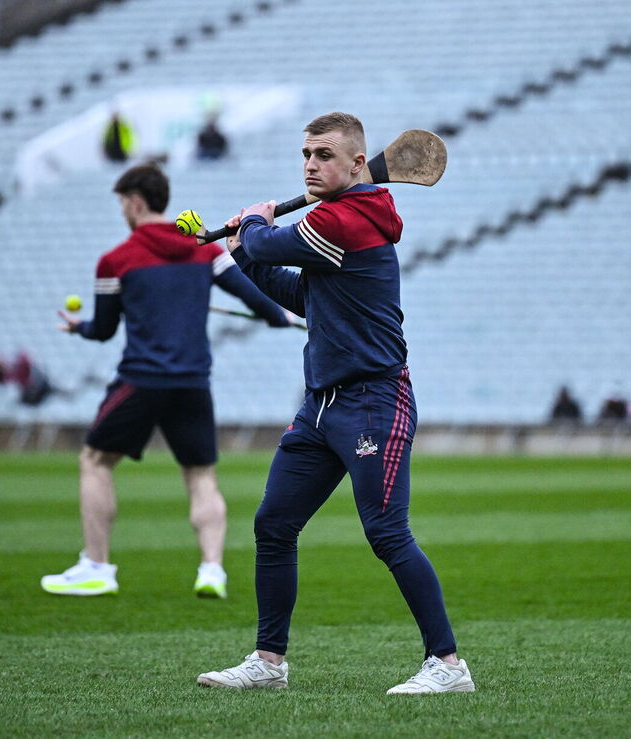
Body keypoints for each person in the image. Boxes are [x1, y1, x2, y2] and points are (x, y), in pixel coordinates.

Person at [196, 112, 475, 694]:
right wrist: (245, 252)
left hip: (375, 400)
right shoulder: (337, 224)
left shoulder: (350, 217)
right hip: (322, 406)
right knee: (274, 524)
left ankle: (448, 667)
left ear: (357, 164)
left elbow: (273, 241)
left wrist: (251, 224)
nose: (310, 164)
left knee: (386, 534)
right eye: (306, 154)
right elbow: (297, 289)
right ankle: (269, 663)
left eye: (324, 155)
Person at [42, 162, 292, 599]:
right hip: (193, 381)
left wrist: (78, 327)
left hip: (141, 379)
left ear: (136, 202)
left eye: (123, 203)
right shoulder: (203, 249)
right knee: (201, 476)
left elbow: (102, 330)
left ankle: (97, 565)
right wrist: (278, 317)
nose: (123, 210)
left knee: (95, 460)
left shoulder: (115, 261)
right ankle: (212, 569)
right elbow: (255, 298)